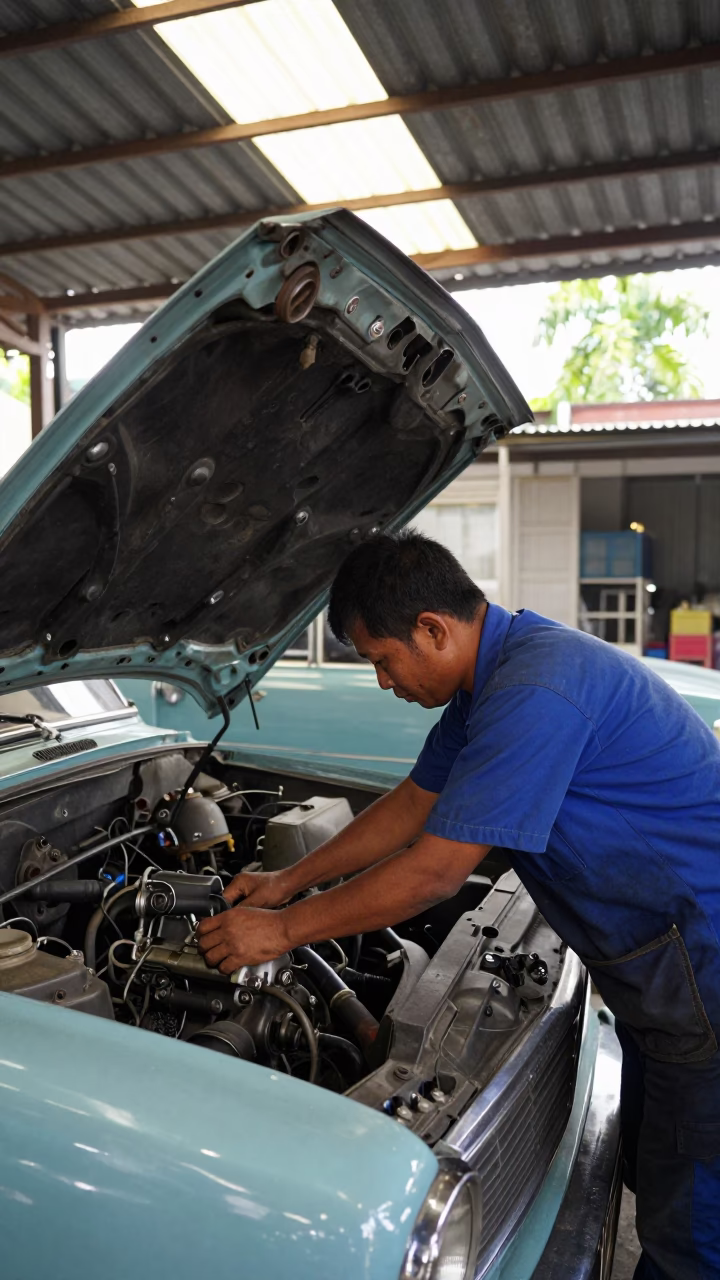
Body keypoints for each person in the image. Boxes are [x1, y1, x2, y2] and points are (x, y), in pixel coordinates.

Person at [197, 531, 720, 1280]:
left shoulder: (536, 690)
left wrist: (280, 931)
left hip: (702, 962)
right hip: (660, 960)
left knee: (691, 1223)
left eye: (382, 659)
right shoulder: (496, 679)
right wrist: (287, 881)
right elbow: (413, 804)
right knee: (657, 1161)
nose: (383, 681)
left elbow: (434, 874)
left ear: (433, 630)